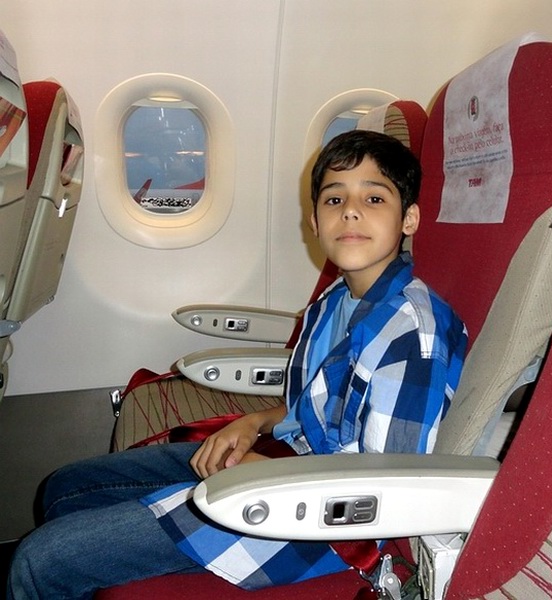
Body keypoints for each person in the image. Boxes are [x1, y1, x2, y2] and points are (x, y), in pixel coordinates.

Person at [7, 130, 467, 599]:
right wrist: (255, 423)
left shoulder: (411, 336)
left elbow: (380, 490)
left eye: (374, 198)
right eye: (334, 198)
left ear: (409, 218)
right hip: (292, 463)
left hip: (318, 519)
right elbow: (320, 405)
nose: (350, 211)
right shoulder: (338, 299)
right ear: (314, 220)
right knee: (65, 488)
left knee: (39, 561)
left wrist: (262, 475)